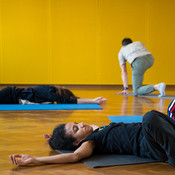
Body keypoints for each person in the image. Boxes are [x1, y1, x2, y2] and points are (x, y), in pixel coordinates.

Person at [9, 105, 175, 167]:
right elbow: (75, 156)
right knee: (150, 117)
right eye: (76, 129)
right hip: (153, 144)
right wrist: (35, 159)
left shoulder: (97, 130)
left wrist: (53, 140)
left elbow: (70, 140)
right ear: (78, 142)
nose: (81, 124)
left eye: (77, 123)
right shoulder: (91, 141)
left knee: (168, 109)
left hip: (160, 134)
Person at [0, 85, 107, 105]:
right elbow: (70, 101)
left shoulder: (50, 88)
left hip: (10, 93)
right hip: (11, 96)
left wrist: (93, 99)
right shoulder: (51, 94)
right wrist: (93, 101)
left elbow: (73, 98)